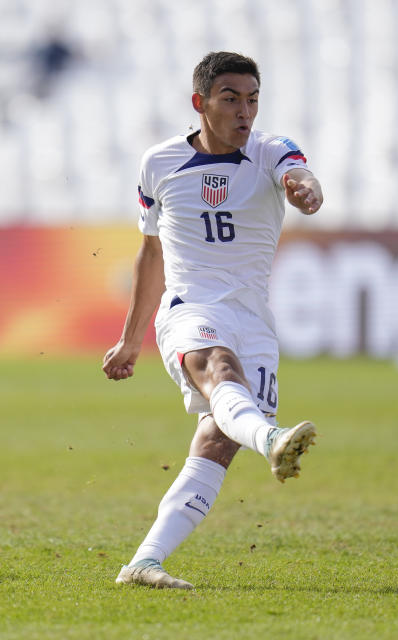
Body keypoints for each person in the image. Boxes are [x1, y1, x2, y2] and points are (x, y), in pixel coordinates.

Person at [102, 51, 323, 590]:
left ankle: (144, 563)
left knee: (217, 443)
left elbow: (300, 175)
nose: (244, 111)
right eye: (231, 99)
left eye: (252, 99)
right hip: (191, 308)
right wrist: (131, 341)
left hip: (254, 320)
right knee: (219, 366)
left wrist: (306, 188)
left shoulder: (271, 150)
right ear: (201, 103)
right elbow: (150, 254)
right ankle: (271, 441)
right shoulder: (159, 163)